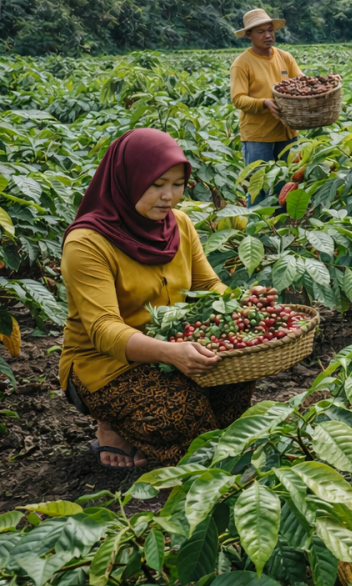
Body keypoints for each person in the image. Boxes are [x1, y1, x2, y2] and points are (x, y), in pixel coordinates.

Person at [59, 129, 255, 468]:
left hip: (174, 344)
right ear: (127, 179)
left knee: (237, 379)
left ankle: (168, 433)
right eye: (156, 184)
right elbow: (104, 329)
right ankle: (113, 423)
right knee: (180, 414)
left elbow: (208, 284)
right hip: (104, 366)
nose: (169, 196)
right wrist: (170, 353)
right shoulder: (87, 243)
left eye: (177, 184)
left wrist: (243, 303)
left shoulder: (179, 223)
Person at [231, 8, 302, 204]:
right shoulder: (242, 63)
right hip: (258, 136)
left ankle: (281, 230)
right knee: (258, 188)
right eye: (260, 31)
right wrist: (264, 103)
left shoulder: (285, 57)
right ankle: (257, 231)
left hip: (287, 133)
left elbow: (302, 83)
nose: (268, 35)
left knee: (286, 188)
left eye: (270, 30)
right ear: (249, 35)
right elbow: (238, 98)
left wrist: (326, 81)